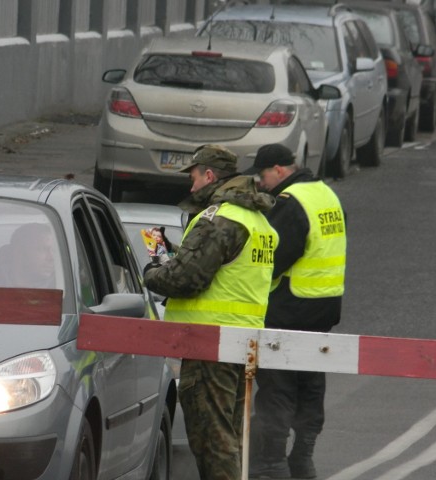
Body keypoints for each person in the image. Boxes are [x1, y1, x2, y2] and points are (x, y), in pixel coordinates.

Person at [144, 144, 278, 480]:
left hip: (210, 344)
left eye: (193, 177)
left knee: (212, 440)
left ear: (209, 175)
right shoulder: (257, 219)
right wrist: (178, 252)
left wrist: (152, 270)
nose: (191, 188)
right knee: (229, 435)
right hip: (243, 343)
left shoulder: (220, 218)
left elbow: (186, 278)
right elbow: (230, 272)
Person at [244, 144, 346, 479]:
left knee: (278, 388)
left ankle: (271, 465)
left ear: (279, 170)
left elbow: (270, 261)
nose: (261, 183)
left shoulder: (291, 203)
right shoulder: (326, 194)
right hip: (323, 307)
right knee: (311, 383)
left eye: (263, 175)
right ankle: (302, 459)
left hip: (289, 308)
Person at [0, 223, 57, 288]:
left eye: (54, 250)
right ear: (19, 252)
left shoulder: (63, 285)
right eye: (42, 249)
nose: (51, 258)